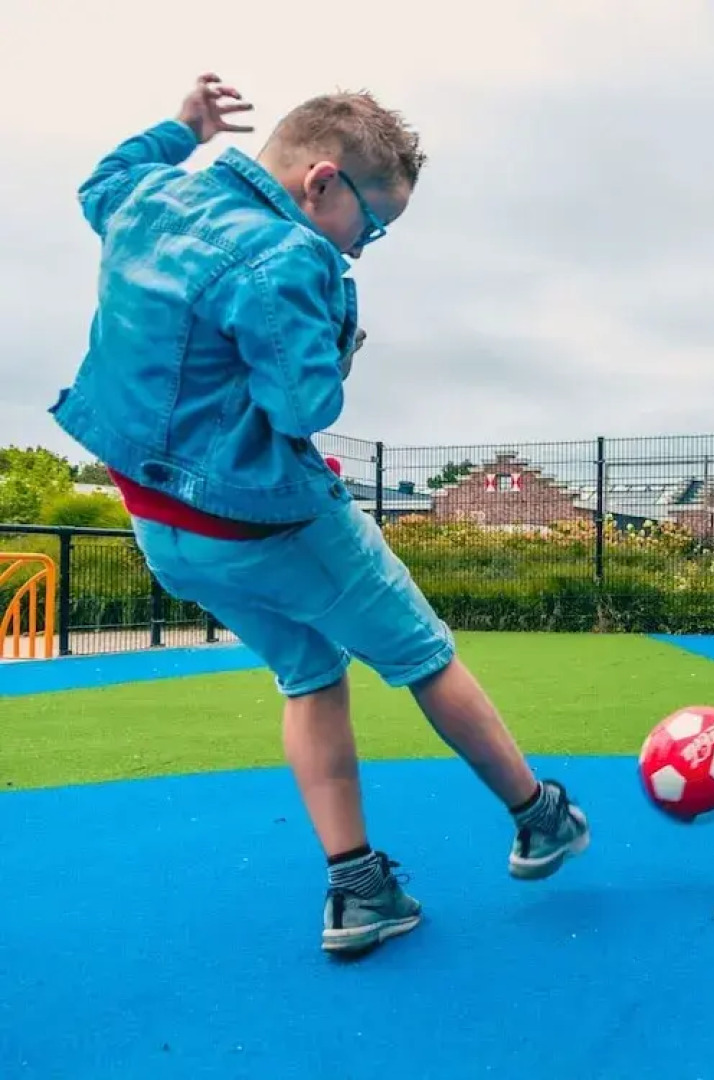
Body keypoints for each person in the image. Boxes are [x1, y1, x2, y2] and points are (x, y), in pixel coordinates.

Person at [50, 75, 589, 957]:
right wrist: (342, 322)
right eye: (370, 227)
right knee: (422, 654)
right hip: (267, 517)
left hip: (165, 528)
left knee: (308, 675)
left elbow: (99, 184)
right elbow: (301, 406)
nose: (363, 249)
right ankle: (540, 817)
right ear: (322, 182)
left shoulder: (153, 195)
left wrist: (181, 128)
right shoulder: (291, 259)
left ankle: (358, 888)